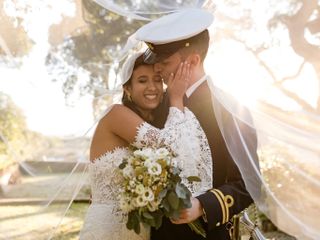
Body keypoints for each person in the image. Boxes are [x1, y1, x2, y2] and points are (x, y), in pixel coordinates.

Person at [135, 8, 257, 240]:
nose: (157, 68)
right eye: (155, 60)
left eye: (165, 61)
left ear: (192, 60)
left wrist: (202, 205)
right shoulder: (158, 105)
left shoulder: (230, 109)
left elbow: (249, 183)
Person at [79, 51, 214, 240]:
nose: (152, 87)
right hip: (108, 229)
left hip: (139, 231)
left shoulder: (153, 124)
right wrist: (176, 98)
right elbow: (169, 146)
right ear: (127, 88)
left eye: (158, 80)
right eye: (142, 81)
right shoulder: (116, 114)